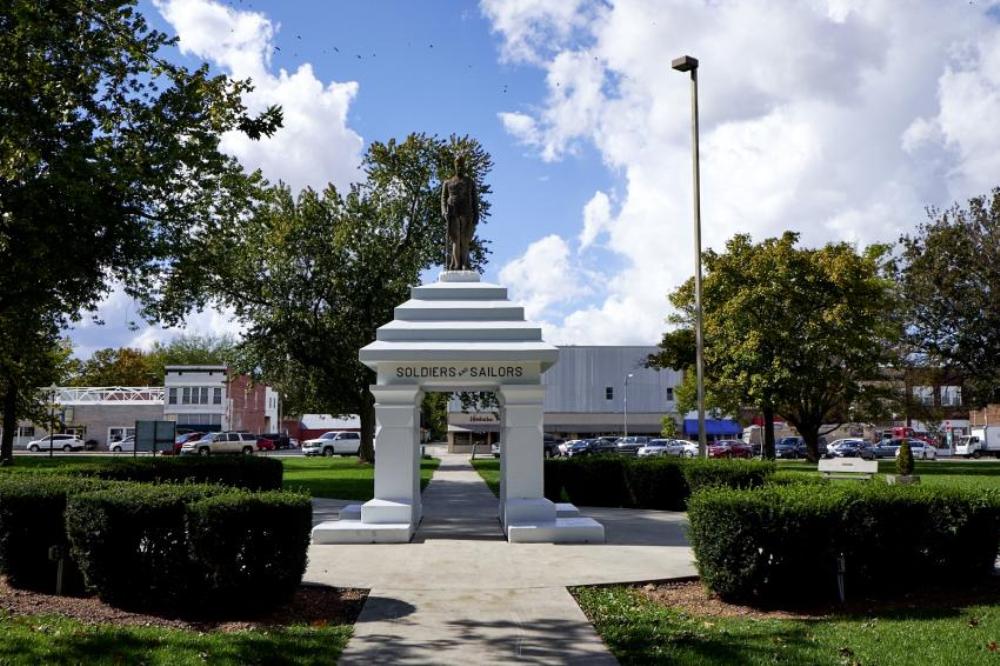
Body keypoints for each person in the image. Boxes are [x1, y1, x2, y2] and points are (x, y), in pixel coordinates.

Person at [441, 154, 478, 270]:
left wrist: (476, 214)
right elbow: (443, 199)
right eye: (458, 165)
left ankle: (465, 264)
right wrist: (444, 212)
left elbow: (475, 199)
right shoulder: (447, 183)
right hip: (452, 212)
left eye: (462, 165)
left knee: (465, 239)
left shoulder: (470, 182)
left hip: (467, 212)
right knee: (456, 240)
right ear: (455, 166)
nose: (460, 168)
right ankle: (456, 264)